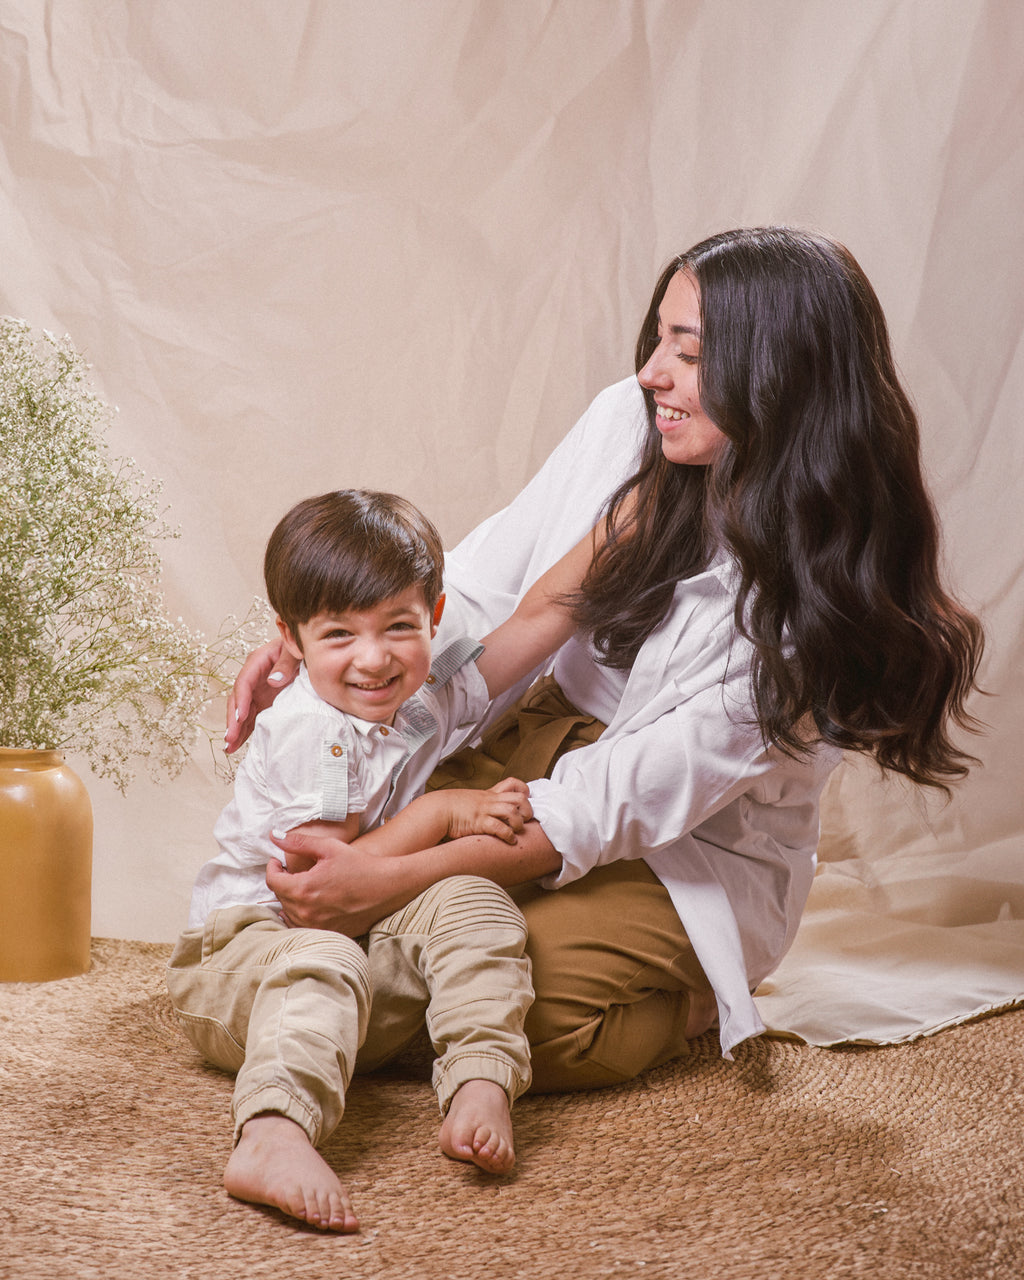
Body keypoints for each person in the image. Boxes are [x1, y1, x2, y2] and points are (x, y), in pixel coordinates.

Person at [228, 225, 983, 1105]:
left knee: (506, 1010)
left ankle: (700, 994)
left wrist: (390, 878)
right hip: (537, 746)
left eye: (688, 353)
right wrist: (350, 655)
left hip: (682, 844)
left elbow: (612, 801)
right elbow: (484, 584)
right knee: (323, 908)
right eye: (658, 337)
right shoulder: (631, 424)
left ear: (778, 379)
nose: (651, 373)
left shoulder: (808, 626)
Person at [169, 488, 592, 1232]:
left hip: (356, 938)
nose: (373, 659)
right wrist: (441, 813)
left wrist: (631, 525)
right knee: (322, 962)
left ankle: (481, 1077)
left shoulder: (420, 699)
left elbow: (534, 622)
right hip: (248, 954)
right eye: (338, 636)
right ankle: (273, 1131)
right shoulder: (314, 730)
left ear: (434, 617)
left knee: (475, 899)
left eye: (398, 627)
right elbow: (320, 883)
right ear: (290, 640)